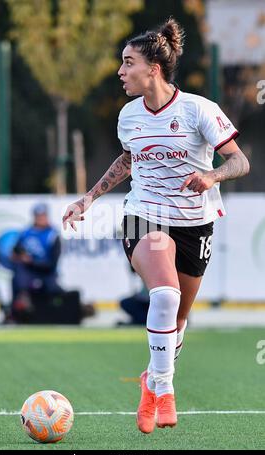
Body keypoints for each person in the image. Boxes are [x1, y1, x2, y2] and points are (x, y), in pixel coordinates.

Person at [62, 17, 250, 433]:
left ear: (154, 69)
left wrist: (212, 177)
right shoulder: (129, 116)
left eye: (128, 63)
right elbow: (129, 159)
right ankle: (164, 389)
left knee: (178, 319)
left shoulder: (199, 110)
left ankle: (151, 380)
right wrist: (89, 198)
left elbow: (240, 161)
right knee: (163, 295)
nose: (120, 71)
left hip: (195, 225)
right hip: (143, 216)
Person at [11, 202, 63, 310]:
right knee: (18, 276)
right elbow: (15, 251)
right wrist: (19, 257)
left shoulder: (53, 235)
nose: (40, 218)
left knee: (54, 290)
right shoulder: (25, 233)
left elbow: (53, 263)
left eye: (43, 215)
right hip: (28, 272)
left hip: (46, 271)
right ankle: (17, 311)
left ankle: (74, 309)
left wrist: (31, 262)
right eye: (38, 216)